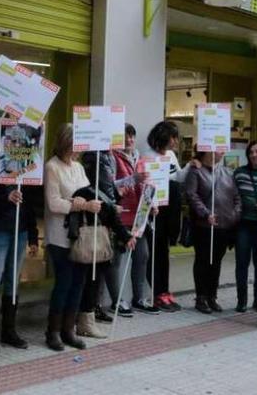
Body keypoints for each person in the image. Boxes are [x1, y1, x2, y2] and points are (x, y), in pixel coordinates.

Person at [0, 141, 40, 354]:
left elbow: (30, 203)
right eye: (10, 140)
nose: (14, 143)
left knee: (13, 281)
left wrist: (32, 234)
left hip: (20, 230)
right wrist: (6, 197)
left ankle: (9, 331)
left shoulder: (28, 167)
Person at [44, 123, 101, 351]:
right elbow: (53, 202)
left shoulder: (78, 167)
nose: (78, 150)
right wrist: (79, 205)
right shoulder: (52, 167)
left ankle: (70, 329)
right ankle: (53, 331)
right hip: (59, 235)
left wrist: (94, 203)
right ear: (65, 143)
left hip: (80, 235)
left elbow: (87, 192)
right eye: (74, 145)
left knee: (78, 283)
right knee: (64, 283)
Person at [143, 121, 193, 312]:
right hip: (154, 209)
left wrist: (189, 166)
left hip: (170, 207)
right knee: (154, 252)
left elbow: (178, 177)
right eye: (173, 137)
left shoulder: (171, 155)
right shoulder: (148, 156)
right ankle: (156, 292)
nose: (175, 141)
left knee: (164, 251)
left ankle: (164, 290)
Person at [185, 149, 241, 314]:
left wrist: (234, 215)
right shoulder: (196, 171)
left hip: (224, 225)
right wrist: (205, 213)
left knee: (216, 261)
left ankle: (212, 296)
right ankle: (201, 296)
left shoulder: (227, 172)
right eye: (218, 149)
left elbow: (236, 197)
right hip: (204, 226)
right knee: (203, 261)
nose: (222, 152)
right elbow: (191, 195)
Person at [112, 124, 159, 314]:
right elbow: (112, 185)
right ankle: (118, 300)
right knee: (117, 261)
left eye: (132, 136)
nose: (130, 140)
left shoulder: (140, 158)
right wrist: (134, 179)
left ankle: (139, 298)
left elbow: (148, 183)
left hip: (139, 216)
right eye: (125, 137)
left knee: (142, 256)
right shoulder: (112, 157)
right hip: (120, 216)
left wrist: (152, 203)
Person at [80, 149, 121, 327]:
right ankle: (88, 311)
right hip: (95, 218)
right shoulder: (94, 158)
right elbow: (98, 188)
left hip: (105, 215)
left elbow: (109, 186)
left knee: (101, 266)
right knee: (92, 270)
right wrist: (110, 207)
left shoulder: (108, 156)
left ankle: (93, 308)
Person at [232, 140, 257, 312]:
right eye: (251, 152)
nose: (255, 155)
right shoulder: (239, 173)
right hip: (244, 224)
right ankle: (241, 301)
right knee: (241, 263)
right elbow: (232, 194)